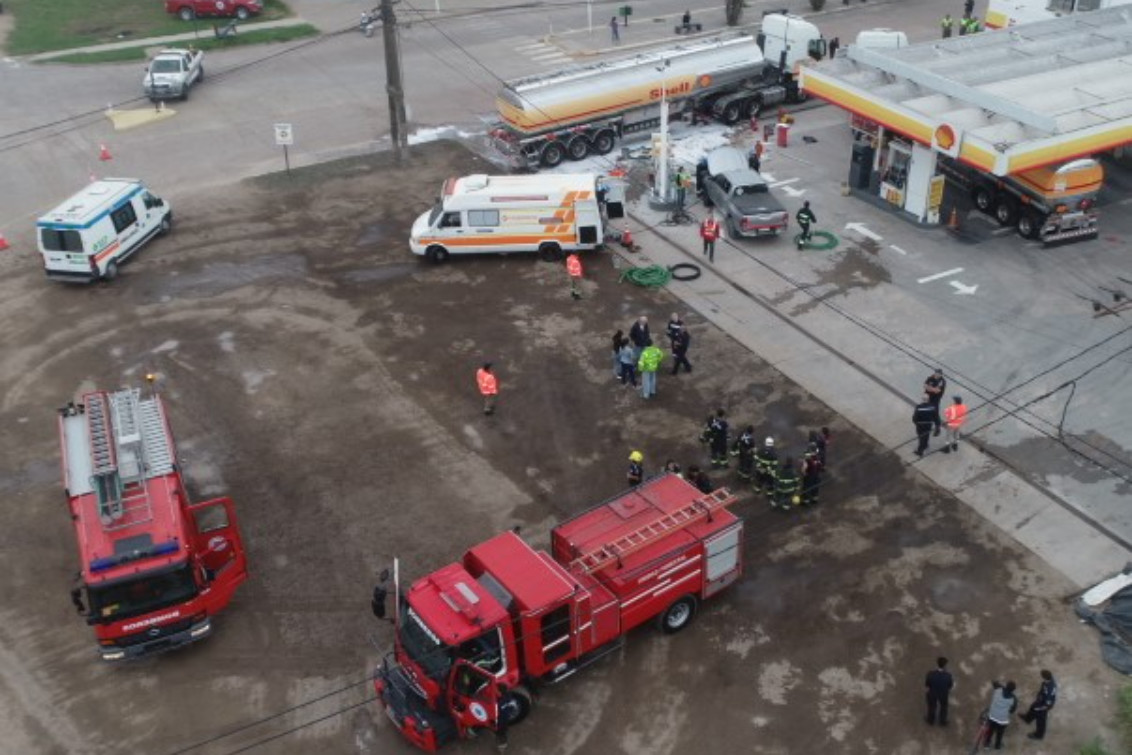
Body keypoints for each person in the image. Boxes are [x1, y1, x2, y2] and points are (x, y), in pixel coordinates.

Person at [1019, 669, 1057, 740]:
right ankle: (1028, 719)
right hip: (1041, 699)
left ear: (1045, 678)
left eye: (1042, 677)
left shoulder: (1050, 689)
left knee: (1041, 720)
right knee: (1033, 707)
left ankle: (1039, 735)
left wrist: (1040, 708)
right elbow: (1043, 689)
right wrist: (1039, 695)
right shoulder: (1049, 680)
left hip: (1045, 705)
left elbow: (1048, 703)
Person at [983, 680, 1018, 750]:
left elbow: (994, 683)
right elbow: (1012, 711)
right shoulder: (1013, 699)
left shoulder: (998, 690)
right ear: (1013, 690)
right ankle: (997, 746)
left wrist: (1002, 686)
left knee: (990, 730)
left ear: (1006, 685)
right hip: (1002, 720)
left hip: (992, 716)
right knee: (1000, 733)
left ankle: (987, 744)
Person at [924, 657, 954, 726]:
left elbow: (927, 684)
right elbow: (950, 686)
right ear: (945, 666)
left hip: (932, 693)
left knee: (932, 706)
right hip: (943, 694)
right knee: (944, 707)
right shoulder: (948, 676)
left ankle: (930, 720)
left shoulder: (931, 674)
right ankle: (942, 721)